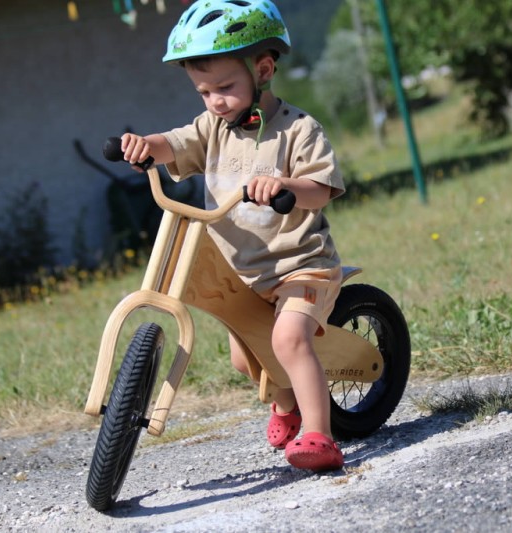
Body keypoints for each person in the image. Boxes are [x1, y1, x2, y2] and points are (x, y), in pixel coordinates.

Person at [118, 0, 345, 472]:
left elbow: (320, 189)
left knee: (288, 339)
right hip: (244, 274)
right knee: (245, 361)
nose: (214, 100)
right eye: (203, 91)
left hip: (301, 265)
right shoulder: (213, 128)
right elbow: (175, 143)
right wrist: (146, 146)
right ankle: (286, 404)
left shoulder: (299, 130)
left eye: (224, 87)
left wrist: (285, 186)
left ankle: (320, 433)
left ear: (263, 70)